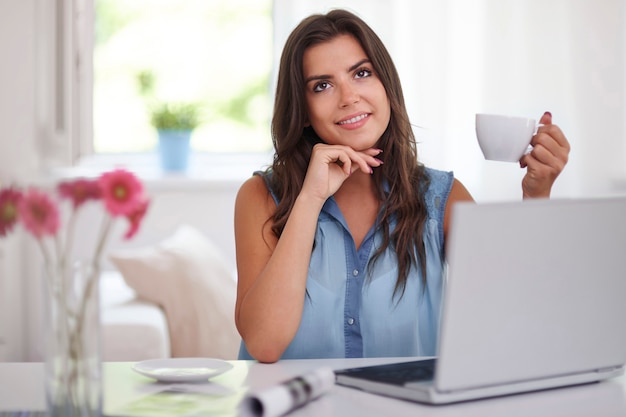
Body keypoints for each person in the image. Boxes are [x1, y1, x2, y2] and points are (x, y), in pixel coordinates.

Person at [234, 9, 570, 363]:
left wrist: (537, 196)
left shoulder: (442, 198)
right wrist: (311, 197)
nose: (348, 97)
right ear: (302, 110)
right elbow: (265, 344)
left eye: (362, 73)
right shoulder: (259, 197)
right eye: (323, 85)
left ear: (386, 87)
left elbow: (511, 313)